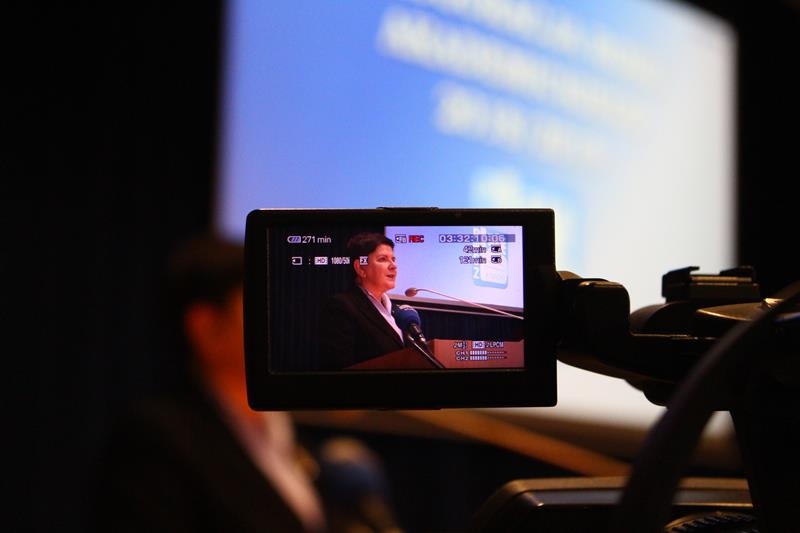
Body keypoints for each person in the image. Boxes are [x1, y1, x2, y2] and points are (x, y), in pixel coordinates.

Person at [94, 234, 399, 533]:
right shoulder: (156, 440)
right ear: (206, 327)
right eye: (258, 304)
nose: (277, 317)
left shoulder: (284, 429)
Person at [318, 232, 406, 369]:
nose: (393, 266)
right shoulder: (342, 307)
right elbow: (338, 366)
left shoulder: (397, 312)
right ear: (360, 267)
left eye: (393, 259)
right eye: (383, 259)